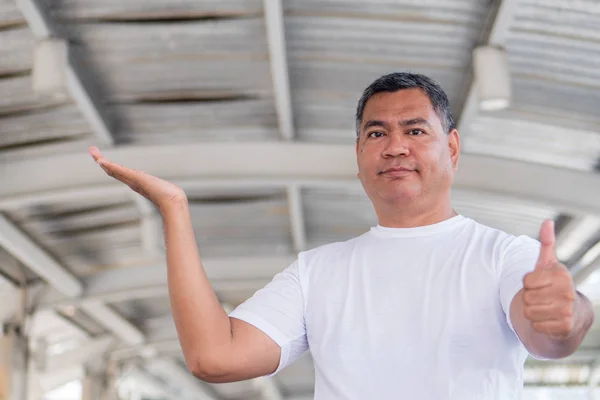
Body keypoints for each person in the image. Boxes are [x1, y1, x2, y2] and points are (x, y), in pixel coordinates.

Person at [89, 72, 594, 399]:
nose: (395, 147)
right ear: (358, 155)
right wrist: (174, 211)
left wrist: (568, 313)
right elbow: (214, 357)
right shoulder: (318, 272)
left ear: (453, 149)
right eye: (377, 134)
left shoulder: (504, 256)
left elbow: (553, 337)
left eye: (416, 131)